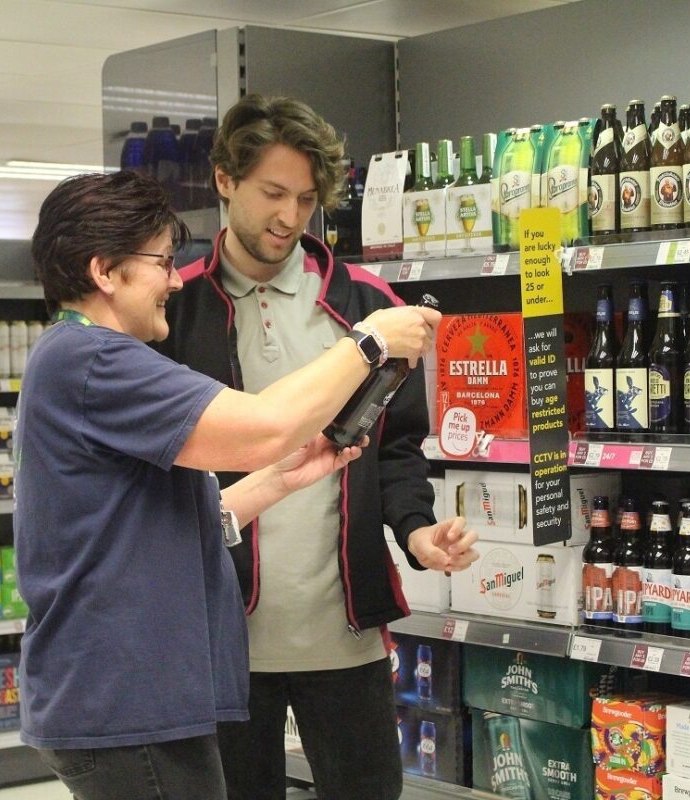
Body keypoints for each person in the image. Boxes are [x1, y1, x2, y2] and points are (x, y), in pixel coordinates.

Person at [14, 169, 441, 800]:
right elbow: (265, 423)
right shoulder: (96, 360)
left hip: (131, 698)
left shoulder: (78, 359)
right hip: (126, 703)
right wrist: (370, 343)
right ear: (105, 271)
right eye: (160, 261)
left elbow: (145, 524)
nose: (170, 280)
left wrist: (275, 480)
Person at [155, 94, 480, 800]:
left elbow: (396, 447)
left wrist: (419, 532)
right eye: (272, 192)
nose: (289, 216)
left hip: (344, 633)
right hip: (219, 637)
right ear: (223, 180)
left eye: (305, 199)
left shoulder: (368, 304)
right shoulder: (173, 309)